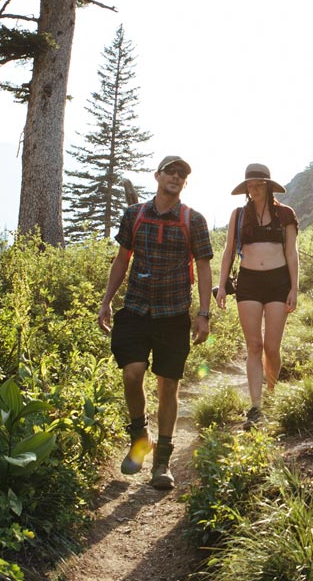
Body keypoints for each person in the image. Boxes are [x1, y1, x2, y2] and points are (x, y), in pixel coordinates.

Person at [98, 155, 213, 489]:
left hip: (174, 313)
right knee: (132, 374)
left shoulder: (194, 220)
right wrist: (106, 301)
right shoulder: (134, 215)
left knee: (169, 386)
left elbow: (204, 268)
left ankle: (161, 462)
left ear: (185, 182)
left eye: (182, 174)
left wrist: (203, 313)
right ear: (157, 176)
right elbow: (122, 260)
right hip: (135, 309)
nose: (176, 177)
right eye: (170, 171)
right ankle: (139, 438)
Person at [214, 163, 299, 429]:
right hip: (248, 282)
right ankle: (256, 406)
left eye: (258, 184)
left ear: (268, 185)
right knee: (254, 346)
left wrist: (294, 288)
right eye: (249, 185)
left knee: (272, 348)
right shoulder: (239, 215)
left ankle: (271, 393)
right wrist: (222, 285)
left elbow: (292, 253)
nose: (253, 189)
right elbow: (229, 252)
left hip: (278, 282)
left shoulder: (285, 214)